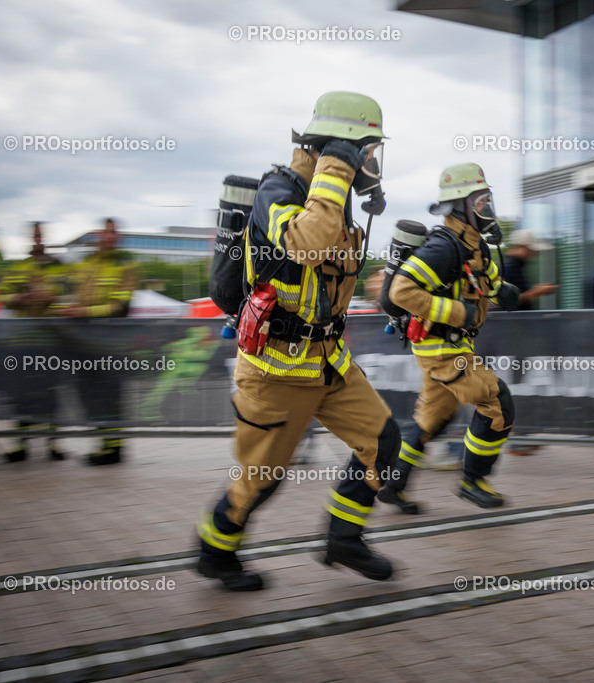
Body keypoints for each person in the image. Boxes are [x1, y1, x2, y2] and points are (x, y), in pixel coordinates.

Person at [195, 92, 401, 590]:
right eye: (368, 150)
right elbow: (307, 243)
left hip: (328, 362)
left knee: (383, 443)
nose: (373, 162)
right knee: (260, 481)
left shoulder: (336, 204)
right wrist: (335, 171)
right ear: (341, 148)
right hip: (276, 370)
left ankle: (343, 537)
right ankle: (215, 552)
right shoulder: (278, 193)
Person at [377, 163, 520, 514]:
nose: (487, 209)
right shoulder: (443, 248)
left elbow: (484, 282)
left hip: (451, 346)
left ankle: (393, 486)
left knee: (432, 420)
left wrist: (504, 291)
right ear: (460, 207)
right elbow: (401, 290)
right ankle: (473, 480)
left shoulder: (476, 248)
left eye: (488, 201)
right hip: (442, 349)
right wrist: (460, 314)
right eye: (480, 202)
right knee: (497, 402)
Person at [59, 218, 138, 466]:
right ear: (97, 236)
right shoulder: (84, 265)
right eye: (105, 233)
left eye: (113, 233)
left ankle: (113, 448)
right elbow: (66, 292)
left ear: (118, 239)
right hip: (83, 345)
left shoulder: (125, 267)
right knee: (88, 395)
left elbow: (121, 306)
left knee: (110, 397)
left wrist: (86, 312)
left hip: (111, 346)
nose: (108, 237)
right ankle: (103, 444)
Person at [0, 222, 67, 461]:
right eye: (34, 235)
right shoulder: (18, 267)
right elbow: (1, 295)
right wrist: (20, 297)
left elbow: (70, 293)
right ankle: (21, 445)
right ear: (29, 238)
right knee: (21, 394)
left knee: (51, 394)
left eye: (41, 235)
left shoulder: (58, 268)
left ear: (47, 239)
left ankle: (53, 443)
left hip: (50, 343)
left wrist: (51, 295)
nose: (38, 240)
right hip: (21, 343)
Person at [504, 229, 557, 310]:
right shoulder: (509, 268)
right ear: (522, 247)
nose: (532, 254)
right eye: (530, 250)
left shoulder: (517, 267)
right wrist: (535, 292)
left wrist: (535, 291)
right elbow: (506, 301)